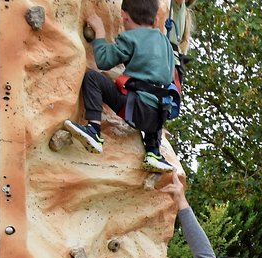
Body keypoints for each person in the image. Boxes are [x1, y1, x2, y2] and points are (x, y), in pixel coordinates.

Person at [64, 0, 177, 172]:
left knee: (92, 77)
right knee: (156, 97)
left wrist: (100, 33)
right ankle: (154, 152)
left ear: (123, 15)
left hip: (136, 110)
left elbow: (104, 61)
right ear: (155, 21)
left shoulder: (130, 38)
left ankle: (94, 129)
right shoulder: (165, 43)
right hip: (160, 117)